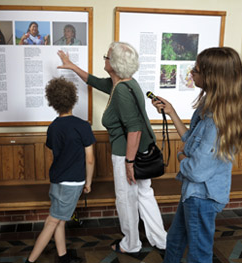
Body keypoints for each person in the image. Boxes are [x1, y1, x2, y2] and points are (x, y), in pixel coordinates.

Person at [57, 42, 167, 255]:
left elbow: (134, 129)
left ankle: (131, 243)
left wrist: (129, 162)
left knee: (126, 199)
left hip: (128, 153)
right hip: (143, 151)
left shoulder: (122, 92)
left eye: (106, 57)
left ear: (114, 64)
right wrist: (71, 66)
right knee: (145, 194)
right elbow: (95, 81)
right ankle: (161, 240)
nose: (104, 59)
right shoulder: (124, 84)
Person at [152, 47, 242, 262]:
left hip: (202, 196)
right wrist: (172, 112)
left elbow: (196, 170)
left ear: (212, 76)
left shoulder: (216, 121)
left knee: (199, 254)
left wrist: (181, 158)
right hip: (193, 193)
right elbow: (190, 141)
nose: (192, 73)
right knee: (175, 240)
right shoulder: (209, 107)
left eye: (196, 69)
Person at [25, 77, 96, 263]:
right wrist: (88, 182)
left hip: (56, 179)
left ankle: (63, 256)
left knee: (59, 219)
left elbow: (53, 153)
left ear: (53, 102)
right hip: (72, 182)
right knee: (53, 221)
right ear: (73, 99)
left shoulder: (53, 127)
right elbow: (90, 159)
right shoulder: (83, 126)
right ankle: (30, 261)